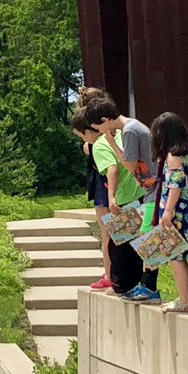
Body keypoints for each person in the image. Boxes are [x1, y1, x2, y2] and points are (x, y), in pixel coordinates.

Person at [90, 97, 162, 303]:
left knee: (147, 237)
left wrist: (111, 141)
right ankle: (147, 285)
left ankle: (149, 287)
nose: (100, 132)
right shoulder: (134, 126)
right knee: (145, 235)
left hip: (151, 189)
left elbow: (129, 165)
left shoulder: (129, 130)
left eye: (99, 127)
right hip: (149, 188)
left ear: (105, 119)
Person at [69, 102, 144, 295]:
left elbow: (112, 170)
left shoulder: (101, 145)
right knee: (137, 244)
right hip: (140, 193)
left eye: (83, 136)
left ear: (91, 130)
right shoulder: (119, 134)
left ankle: (120, 286)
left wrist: (111, 197)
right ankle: (140, 285)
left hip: (123, 198)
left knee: (119, 246)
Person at [150, 111, 188, 313]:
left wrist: (168, 212)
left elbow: (175, 185)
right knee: (179, 255)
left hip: (177, 212)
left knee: (176, 256)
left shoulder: (172, 156)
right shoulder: (187, 154)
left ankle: (184, 300)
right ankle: (184, 298)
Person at [75, 86, 115, 289]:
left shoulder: (95, 138)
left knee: (107, 232)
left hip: (103, 185)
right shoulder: (112, 129)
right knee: (122, 230)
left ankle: (110, 273)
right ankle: (115, 272)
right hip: (114, 185)